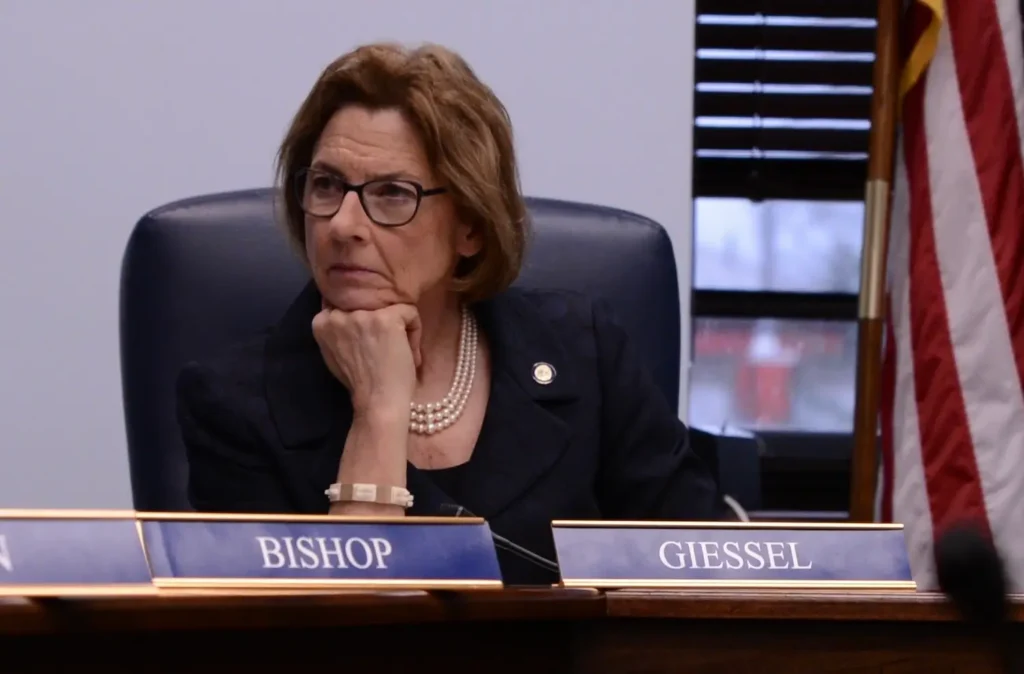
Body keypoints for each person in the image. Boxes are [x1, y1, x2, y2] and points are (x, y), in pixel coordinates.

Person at [177, 42, 720, 585]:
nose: (342, 225)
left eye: (392, 193)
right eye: (325, 185)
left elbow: (704, 578)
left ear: (471, 227)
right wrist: (378, 413)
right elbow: (313, 644)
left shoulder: (586, 354)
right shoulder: (233, 405)